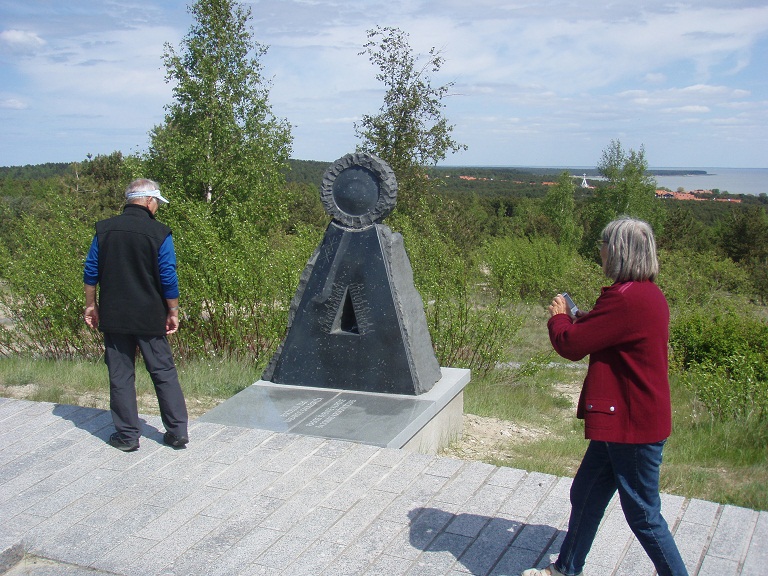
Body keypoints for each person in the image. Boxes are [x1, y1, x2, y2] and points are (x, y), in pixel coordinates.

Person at [523, 217, 688, 576]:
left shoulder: (627, 299)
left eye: (604, 243)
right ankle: (565, 568)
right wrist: (582, 316)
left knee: (644, 516)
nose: (600, 249)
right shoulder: (644, 293)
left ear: (618, 251)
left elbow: (572, 345)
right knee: (586, 494)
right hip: (623, 420)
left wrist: (560, 318)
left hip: (632, 425)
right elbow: (605, 331)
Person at [83, 178, 189, 452]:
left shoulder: (104, 230)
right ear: (149, 201)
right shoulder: (160, 233)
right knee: (163, 371)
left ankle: (128, 436)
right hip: (150, 316)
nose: (157, 208)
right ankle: (177, 433)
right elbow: (168, 277)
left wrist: (91, 305)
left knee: (120, 375)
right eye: (157, 203)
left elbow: (90, 271)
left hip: (115, 315)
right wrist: (173, 311)